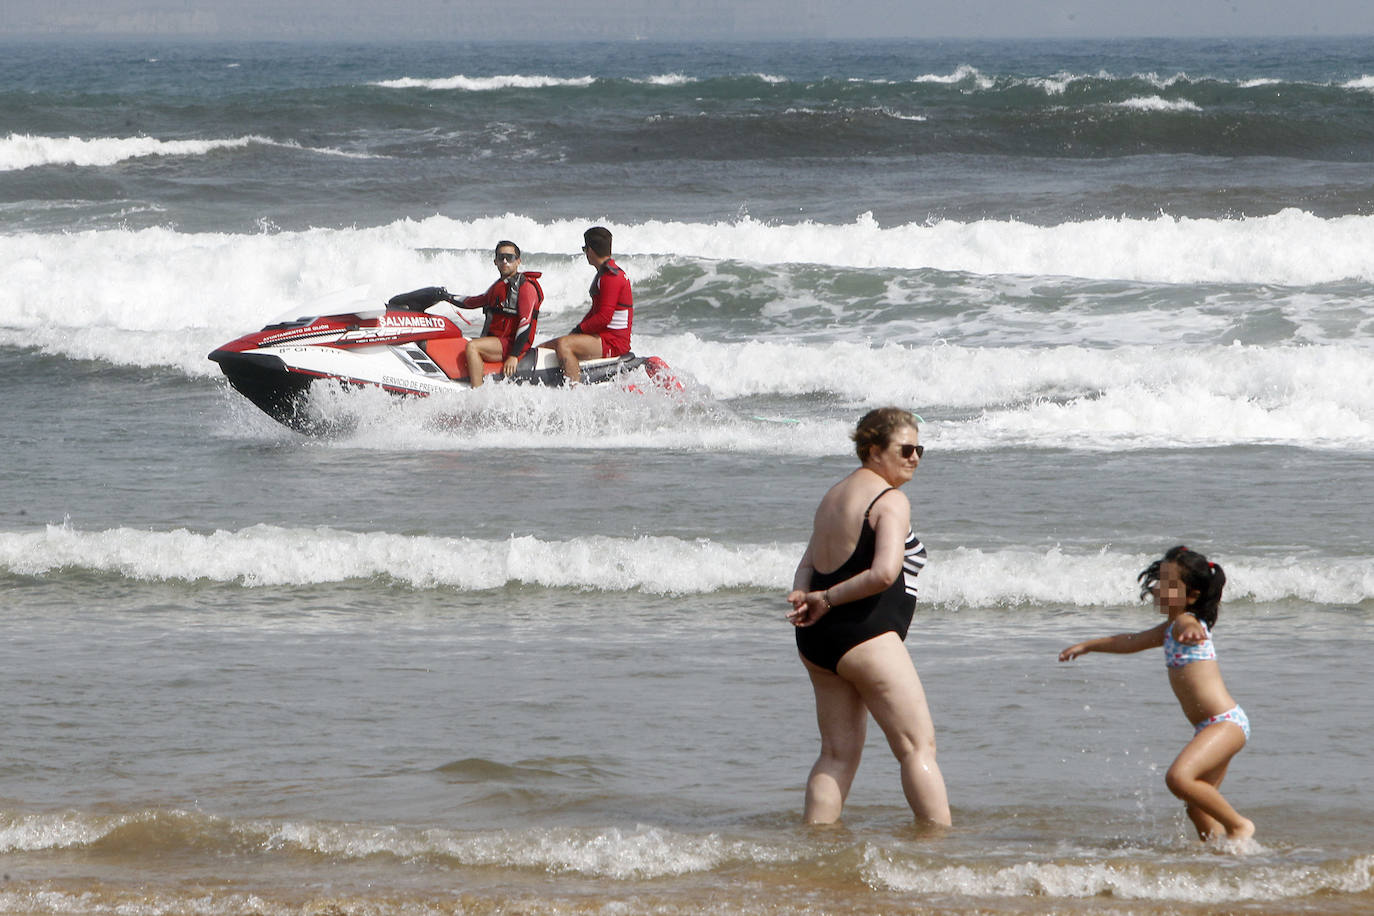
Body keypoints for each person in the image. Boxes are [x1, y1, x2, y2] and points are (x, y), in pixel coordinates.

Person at [786, 407, 951, 826]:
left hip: (818, 640)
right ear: (873, 449)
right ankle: (940, 849)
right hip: (866, 635)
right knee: (917, 747)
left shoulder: (834, 496)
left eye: (920, 450)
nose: (914, 458)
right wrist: (826, 598)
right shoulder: (890, 499)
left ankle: (815, 846)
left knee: (836, 754)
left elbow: (806, 563)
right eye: (906, 449)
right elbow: (884, 573)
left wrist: (807, 596)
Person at [1059, 546, 1255, 842]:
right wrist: (1088, 645)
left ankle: (1239, 826)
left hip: (1224, 723)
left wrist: (1190, 629)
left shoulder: (1184, 624)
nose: (1158, 588)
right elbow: (1129, 641)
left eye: (1168, 583)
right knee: (1196, 806)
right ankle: (1222, 856)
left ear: (1192, 596)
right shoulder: (1168, 629)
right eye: (1159, 581)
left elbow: (1189, 623)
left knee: (1178, 778)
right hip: (1212, 726)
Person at [540, 226, 632, 385]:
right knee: (545, 348)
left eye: (584, 248)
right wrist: (577, 331)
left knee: (564, 344)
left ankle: (575, 391)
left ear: (590, 249)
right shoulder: (603, 273)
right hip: (603, 337)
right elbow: (595, 312)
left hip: (614, 342)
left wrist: (579, 331)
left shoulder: (611, 277)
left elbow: (604, 317)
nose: (585, 253)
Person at [455, 241, 543, 388]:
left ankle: (477, 394)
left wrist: (514, 355)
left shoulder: (525, 286)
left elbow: (525, 323)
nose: (505, 261)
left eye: (510, 257)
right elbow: (473, 302)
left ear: (518, 261)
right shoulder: (499, 286)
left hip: (512, 343)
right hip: (499, 340)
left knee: (473, 347)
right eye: (501, 257)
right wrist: (445, 296)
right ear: (495, 261)